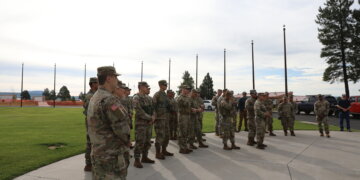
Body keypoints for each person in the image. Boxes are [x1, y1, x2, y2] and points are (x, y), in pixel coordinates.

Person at [87, 66, 130, 179]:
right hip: (111, 157)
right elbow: (122, 129)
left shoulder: (95, 97)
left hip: (98, 154)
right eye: (115, 77)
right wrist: (127, 140)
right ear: (109, 78)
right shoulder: (109, 100)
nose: (117, 80)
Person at [132, 81, 155, 168]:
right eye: (146, 87)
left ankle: (145, 157)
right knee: (140, 141)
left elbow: (153, 109)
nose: (147, 88)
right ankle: (137, 160)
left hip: (149, 123)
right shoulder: (136, 98)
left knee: (147, 141)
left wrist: (153, 116)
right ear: (141, 87)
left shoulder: (149, 98)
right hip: (141, 124)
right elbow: (139, 111)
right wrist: (150, 118)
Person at [153, 80, 173, 159]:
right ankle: (158, 153)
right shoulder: (157, 95)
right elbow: (153, 106)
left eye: (166, 85)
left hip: (166, 118)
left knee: (167, 135)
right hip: (159, 119)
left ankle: (164, 150)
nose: (166, 86)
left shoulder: (165, 95)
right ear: (160, 85)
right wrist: (154, 116)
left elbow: (168, 105)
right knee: (160, 136)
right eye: (164, 85)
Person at [82, 77, 98, 172]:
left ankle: (93, 162)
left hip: (95, 122)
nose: (99, 84)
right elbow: (90, 110)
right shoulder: (89, 96)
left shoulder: (95, 95)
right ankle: (88, 164)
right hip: (91, 122)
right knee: (90, 142)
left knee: (95, 142)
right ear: (92, 84)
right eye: (97, 83)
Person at [177, 85, 193, 154]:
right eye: (187, 89)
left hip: (187, 116)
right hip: (182, 116)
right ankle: (182, 148)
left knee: (186, 132)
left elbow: (189, 106)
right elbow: (184, 104)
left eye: (189, 89)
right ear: (183, 89)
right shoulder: (180, 98)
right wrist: (188, 97)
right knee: (182, 132)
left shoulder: (187, 97)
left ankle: (185, 147)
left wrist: (193, 109)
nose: (188, 90)